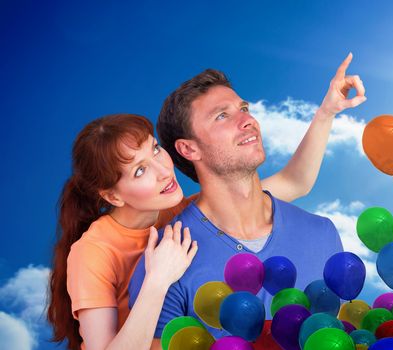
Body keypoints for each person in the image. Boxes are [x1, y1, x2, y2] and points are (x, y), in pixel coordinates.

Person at [48, 54, 364, 350]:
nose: (162, 170)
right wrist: (158, 279)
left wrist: (327, 111)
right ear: (113, 196)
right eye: (140, 170)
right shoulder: (97, 252)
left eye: (156, 150)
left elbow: (294, 182)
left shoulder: (175, 209)